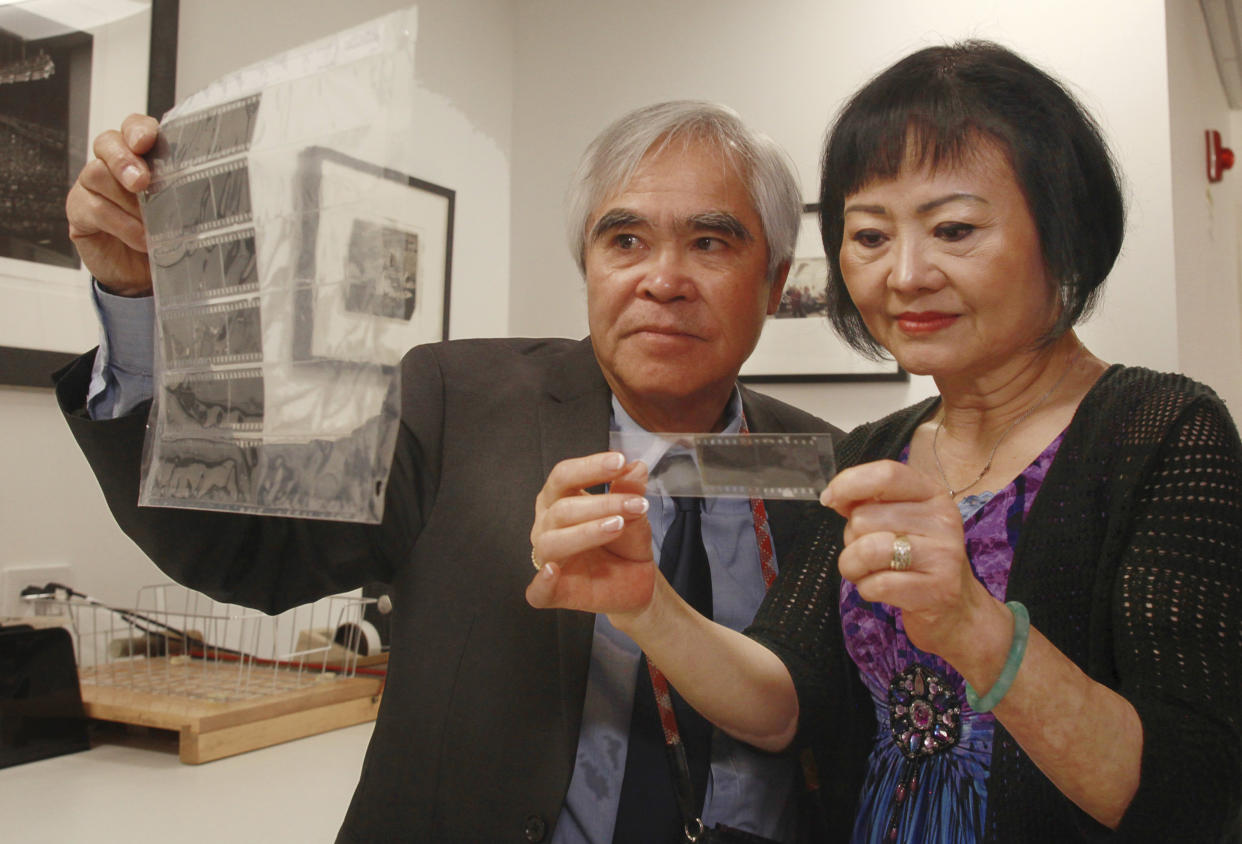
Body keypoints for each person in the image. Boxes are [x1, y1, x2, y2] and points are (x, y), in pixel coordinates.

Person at [58, 101, 841, 843]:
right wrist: (134, 299)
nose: (661, 280)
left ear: (774, 283)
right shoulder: (457, 402)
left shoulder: (826, 464)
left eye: (710, 243)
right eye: (625, 241)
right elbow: (247, 548)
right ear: (589, 267)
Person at [527, 42, 1242, 842]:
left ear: (1064, 232)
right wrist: (648, 606)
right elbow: (783, 703)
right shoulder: (874, 451)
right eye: (869, 237)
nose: (904, 273)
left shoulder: (1163, 432)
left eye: (955, 229)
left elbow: (1192, 799)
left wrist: (977, 627)